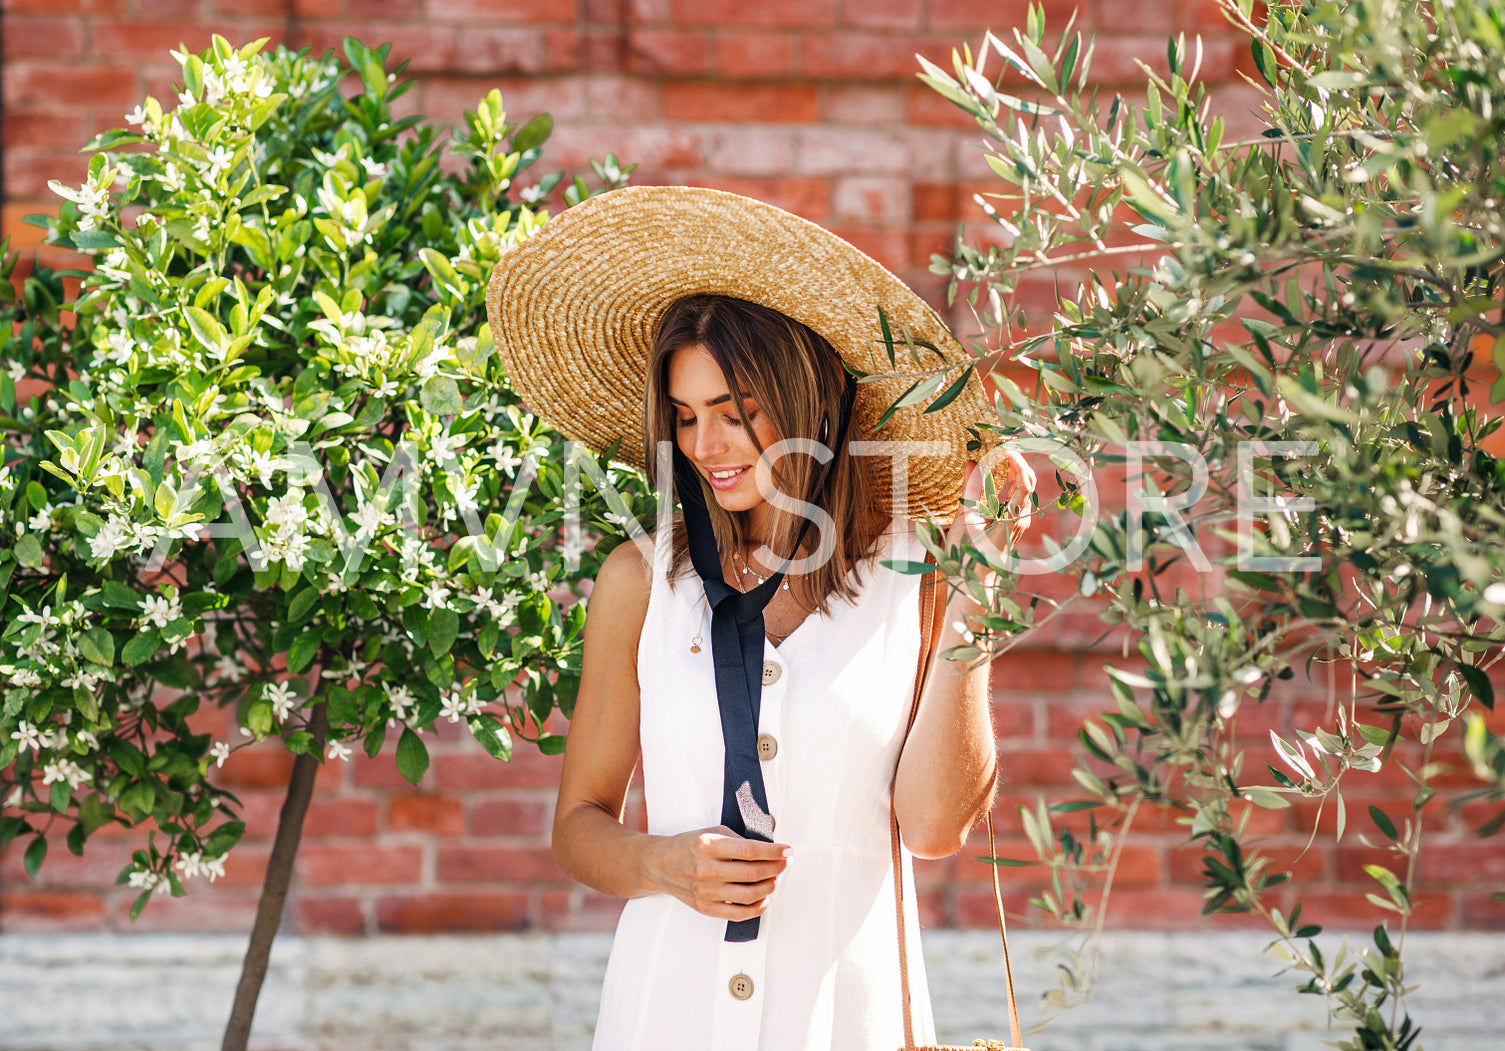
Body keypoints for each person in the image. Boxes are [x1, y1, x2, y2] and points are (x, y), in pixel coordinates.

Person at [485, 186, 1033, 1051]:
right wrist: (658, 862)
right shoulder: (640, 581)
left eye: (737, 412)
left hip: (845, 1021)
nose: (708, 445)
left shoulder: (916, 573)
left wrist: (979, 589)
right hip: (667, 1015)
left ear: (811, 399)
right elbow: (579, 823)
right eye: (688, 415)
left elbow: (934, 829)